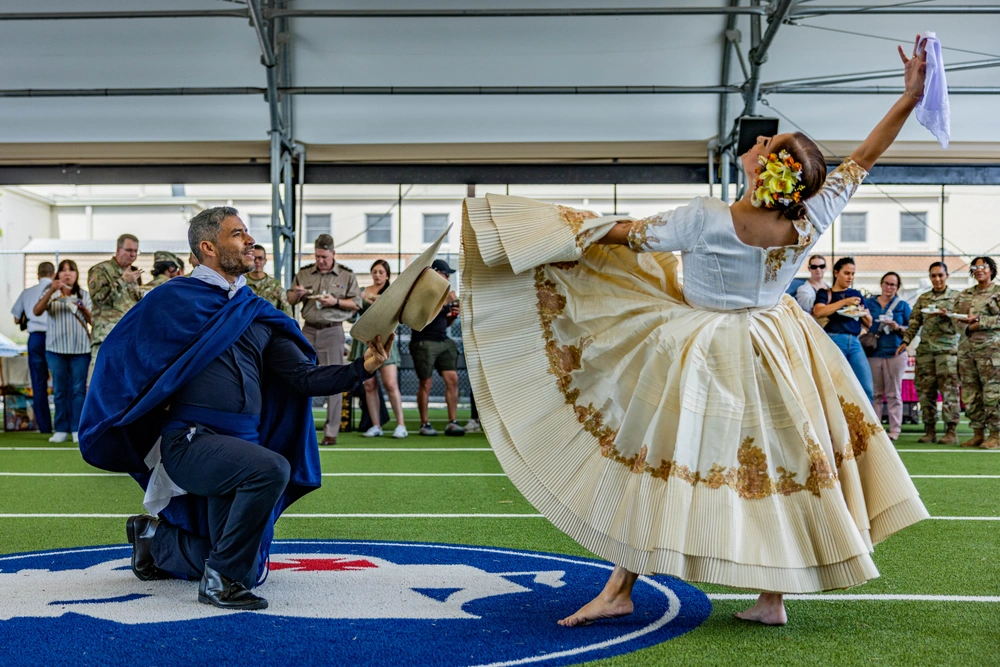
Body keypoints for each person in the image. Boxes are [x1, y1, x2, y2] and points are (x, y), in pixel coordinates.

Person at [460, 40, 929, 627]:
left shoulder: (706, 216)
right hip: (777, 342)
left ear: (766, 170)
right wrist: (910, 96)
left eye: (766, 146)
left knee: (658, 454)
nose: (757, 144)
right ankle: (769, 598)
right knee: (780, 461)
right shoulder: (813, 214)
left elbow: (623, 235)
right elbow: (866, 155)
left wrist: (544, 230)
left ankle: (620, 589)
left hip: (702, 348)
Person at [79, 207, 393, 611]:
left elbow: (302, 378)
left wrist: (361, 368)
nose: (249, 241)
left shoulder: (256, 310)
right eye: (237, 234)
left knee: (245, 563)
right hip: (191, 442)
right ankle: (220, 582)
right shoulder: (172, 299)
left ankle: (154, 542)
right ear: (208, 248)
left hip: (242, 442)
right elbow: (119, 356)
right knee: (271, 469)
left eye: (247, 233)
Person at [287, 234, 361, 445]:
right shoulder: (304, 273)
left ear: (333, 254)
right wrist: (298, 294)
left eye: (325, 257)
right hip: (307, 330)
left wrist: (336, 301)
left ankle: (331, 432)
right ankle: (299, 428)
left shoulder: (346, 275)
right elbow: (289, 298)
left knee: (335, 381)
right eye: (318, 256)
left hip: (333, 331)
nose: (321, 261)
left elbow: (356, 303)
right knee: (299, 379)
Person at [897, 262, 960, 444]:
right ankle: (930, 430)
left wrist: (950, 315)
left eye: (940, 275)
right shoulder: (924, 299)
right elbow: (914, 322)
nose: (937, 279)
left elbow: (963, 322)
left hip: (947, 351)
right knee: (925, 392)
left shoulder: (957, 298)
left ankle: (951, 431)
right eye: (933, 276)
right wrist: (905, 341)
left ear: (947, 276)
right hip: (925, 352)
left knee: (949, 392)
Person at [34, 260, 92, 443]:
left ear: (76, 274)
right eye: (63, 270)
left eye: (71, 270)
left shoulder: (84, 295)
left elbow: (94, 322)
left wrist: (83, 309)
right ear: (57, 274)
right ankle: (60, 428)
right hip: (55, 349)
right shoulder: (50, 293)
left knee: (78, 390)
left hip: (80, 349)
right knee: (59, 390)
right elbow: (36, 311)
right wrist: (52, 290)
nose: (67, 274)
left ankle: (77, 428)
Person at [348, 259, 407, 438]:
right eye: (375, 271)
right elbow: (352, 318)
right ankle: (376, 425)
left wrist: (381, 306)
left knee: (390, 384)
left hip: (385, 340)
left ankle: (401, 425)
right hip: (365, 342)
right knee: (369, 385)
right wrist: (358, 303)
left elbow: (399, 317)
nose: (378, 275)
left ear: (387, 275)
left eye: (381, 272)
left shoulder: (392, 293)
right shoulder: (363, 292)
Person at [412, 259, 464, 436]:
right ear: (436, 273)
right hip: (423, 341)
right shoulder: (422, 290)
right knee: (426, 383)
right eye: (445, 274)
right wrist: (444, 302)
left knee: (453, 378)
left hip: (443, 340)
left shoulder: (445, 294)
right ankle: (424, 424)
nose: (448, 278)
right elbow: (422, 316)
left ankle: (452, 421)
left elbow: (444, 322)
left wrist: (453, 315)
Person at [953, 256, 1000, 449]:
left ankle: (996, 435)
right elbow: (955, 319)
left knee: (992, 393)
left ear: (991, 270)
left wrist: (980, 323)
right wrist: (966, 328)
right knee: (971, 394)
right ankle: (978, 433)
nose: (979, 269)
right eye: (975, 266)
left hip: (991, 353)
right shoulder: (965, 295)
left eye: (984, 266)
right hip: (967, 352)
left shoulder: (998, 292)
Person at [813, 258, 874, 401]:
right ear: (836, 273)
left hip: (854, 342)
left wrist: (861, 311)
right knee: (834, 387)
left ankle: (867, 422)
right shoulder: (825, 293)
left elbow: (869, 322)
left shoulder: (857, 294)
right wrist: (845, 302)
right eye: (847, 273)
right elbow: (818, 311)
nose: (850, 277)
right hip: (833, 340)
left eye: (853, 274)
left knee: (866, 387)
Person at [88, 233, 143, 380]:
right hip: (106, 337)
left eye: (135, 251)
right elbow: (98, 298)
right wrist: (123, 281)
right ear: (118, 250)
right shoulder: (101, 270)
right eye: (129, 250)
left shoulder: (134, 272)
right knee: (102, 382)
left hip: (128, 337)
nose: (132, 255)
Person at [864, 272, 911, 440]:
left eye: (892, 285)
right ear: (881, 284)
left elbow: (912, 328)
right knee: (874, 393)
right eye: (886, 283)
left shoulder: (902, 305)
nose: (888, 287)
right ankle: (875, 429)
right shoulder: (869, 303)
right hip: (873, 352)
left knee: (894, 393)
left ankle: (895, 430)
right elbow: (860, 322)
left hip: (895, 353)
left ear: (897, 287)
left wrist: (897, 326)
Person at [11, 262, 55, 434]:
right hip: (54, 337)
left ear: (38, 274)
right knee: (60, 382)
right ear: (53, 275)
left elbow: (16, 319)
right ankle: (64, 425)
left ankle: (44, 427)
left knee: (38, 382)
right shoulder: (58, 291)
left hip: (35, 337)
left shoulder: (27, 292)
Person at [246, 245, 292, 316]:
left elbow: (287, 312)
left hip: (269, 325)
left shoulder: (275, 285)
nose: (257, 261)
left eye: (260, 258)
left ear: (265, 261)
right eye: (254, 258)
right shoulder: (241, 284)